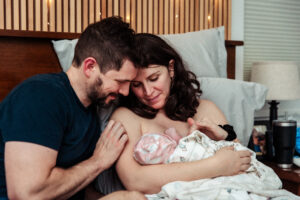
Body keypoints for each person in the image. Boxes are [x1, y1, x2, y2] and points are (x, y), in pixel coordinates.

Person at [0, 17, 146, 200]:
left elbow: (77, 189)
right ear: (90, 66)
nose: (125, 91)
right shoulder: (40, 96)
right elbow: (27, 194)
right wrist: (99, 162)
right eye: (120, 81)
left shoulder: (91, 111)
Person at [109, 33, 252, 194]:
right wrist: (215, 166)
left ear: (171, 68)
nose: (148, 92)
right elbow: (135, 181)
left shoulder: (206, 109)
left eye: (154, 78)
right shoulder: (126, 117)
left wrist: (224, 137)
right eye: (136, 84)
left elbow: (243, 162)